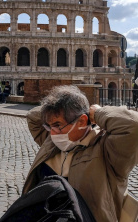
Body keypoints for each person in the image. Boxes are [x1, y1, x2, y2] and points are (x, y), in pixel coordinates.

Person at [23, 85, 138, 221]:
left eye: (58, 125)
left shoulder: (107, 150)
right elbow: (32, 117)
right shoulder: (51, 142)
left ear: (82, 121)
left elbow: (133, 126)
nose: (52, 133)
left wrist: (98, 113)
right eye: (49, 126)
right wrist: (56, 107)